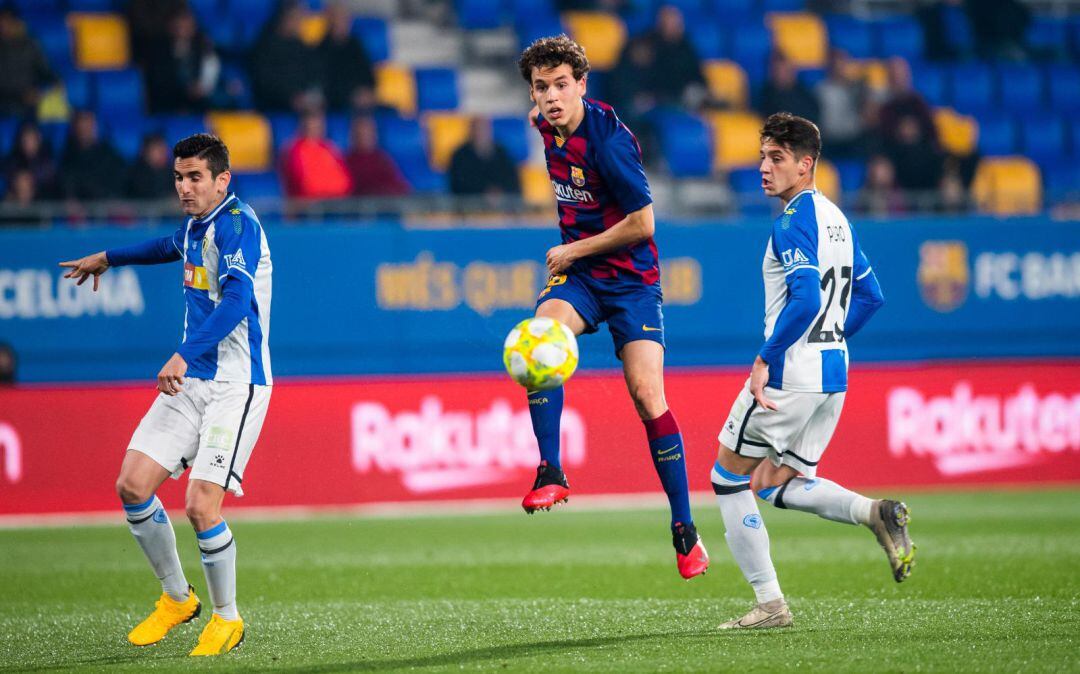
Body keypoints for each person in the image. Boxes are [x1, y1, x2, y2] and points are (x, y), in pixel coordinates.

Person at [58, 134, 273, 656]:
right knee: (132, 484)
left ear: (223, 180)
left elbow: (237, 303)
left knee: (201, 506)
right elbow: (166, 245)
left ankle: (227, 618)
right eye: (179, 177)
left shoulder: (238, 225)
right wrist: (109, 257)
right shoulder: (199, 224)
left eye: (195, 177)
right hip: (191, 380)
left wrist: (182, 351)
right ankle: (178, 599)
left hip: (234, 385)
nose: (184, 186)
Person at [709, 112, 913, 630]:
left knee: (727, 478)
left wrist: (765, 358)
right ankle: (875, 513)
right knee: (778, 483)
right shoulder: (837, 220)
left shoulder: (791, 222)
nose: (763, 167)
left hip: (789, 376)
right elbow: (871, 295)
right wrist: (835, 337)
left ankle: (770, 603)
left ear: (806, 164)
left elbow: (803, 298)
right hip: (833, 375)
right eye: (761, 156)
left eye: (776, 158)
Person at [517, 35, 709, 580]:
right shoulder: (544, 124)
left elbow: (645, 223)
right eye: (541, 87)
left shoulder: (608, 142)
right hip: (581, 279)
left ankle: (685, 531)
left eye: (561, 85)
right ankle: (550, 469)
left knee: (648, 396)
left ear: (582, 84)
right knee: (540, 340)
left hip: (631, 283)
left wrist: (572, 248)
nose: (551, 97)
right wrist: (575, 261)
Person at [142, 8, 221, 114]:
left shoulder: (201, 46)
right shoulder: (158, 52)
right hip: (169, 103)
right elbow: (158, 83)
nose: (183, 30)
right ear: (170, 27)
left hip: (199, 103)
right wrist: (185, 90)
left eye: (187, 26)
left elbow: (211, 70)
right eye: (179, 27)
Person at [281, 109, 352, 198]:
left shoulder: (330, 148)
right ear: (303, 125)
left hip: (334, 202)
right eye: (313, 122)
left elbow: (344, 183)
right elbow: (308, 186)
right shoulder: (294, 150)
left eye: (320, 122)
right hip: (307, 205)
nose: (317, 126)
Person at [58, 110, 127, 201]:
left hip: (106, 207)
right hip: (79, 210)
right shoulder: (67, 157)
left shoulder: (109, 155)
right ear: (74, 129)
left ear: (95, 127)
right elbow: (67, 183)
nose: (84, 131)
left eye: (88, 126)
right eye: (81, 127)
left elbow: (119, 182)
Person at [319, 1, 376, 112]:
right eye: (339, 18)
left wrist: (367, 92)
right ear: (330, 20)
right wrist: (352, 96)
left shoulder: (356, 46)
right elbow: (326, 85)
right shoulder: (322, 49)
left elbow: (369, 76)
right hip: (339, 104)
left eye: (345, 18)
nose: (343, 22)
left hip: (363, 101)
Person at [0, 8, 57, 117]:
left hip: (28, 106)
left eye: (7, 22)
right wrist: (20, 95)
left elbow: (45, 71)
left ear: (16, 22)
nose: (3, 26)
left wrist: (42, 89)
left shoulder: (30, 44)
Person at [447, 117, 521, 198]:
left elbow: (513, 184)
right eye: (477, 129)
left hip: (502, 207)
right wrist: (483, 193)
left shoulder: (503, 154)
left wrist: (499, 194)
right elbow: (457, 186)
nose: (481, 133)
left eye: (484, 129)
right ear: (471, 131)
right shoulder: (460, 156)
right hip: (470, 207)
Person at [345, 116, 411, 197]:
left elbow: (399, 185)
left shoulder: (382, 158)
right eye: (360, 133)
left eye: (369, 133)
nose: (365, 137)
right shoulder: (347, 161)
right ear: (353, 136)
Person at [757, 53, 820, 122]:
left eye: (785, 70)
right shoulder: (764, 96)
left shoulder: (805, 94)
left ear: (793, 71)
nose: (781, 75)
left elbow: (813, 117)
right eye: (776, 70)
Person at [126, 133, 176, 200]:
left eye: (165, 149)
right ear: (145, 151)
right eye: (158, 150)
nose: (164, 153)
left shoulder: (172, 172)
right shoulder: (134, 174)